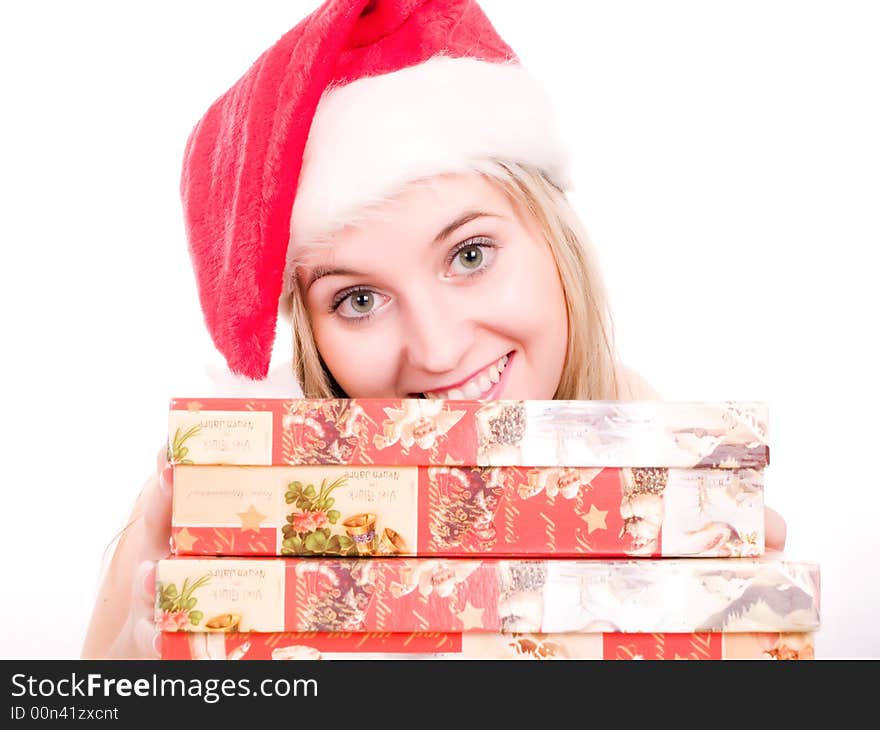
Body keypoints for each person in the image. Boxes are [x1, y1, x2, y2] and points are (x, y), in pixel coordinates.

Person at [81, 0, 786, 659]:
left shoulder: (661, 463)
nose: (440, 351)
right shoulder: (202, 504)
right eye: (359, 300)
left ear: (554, 239)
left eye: (469, 256)